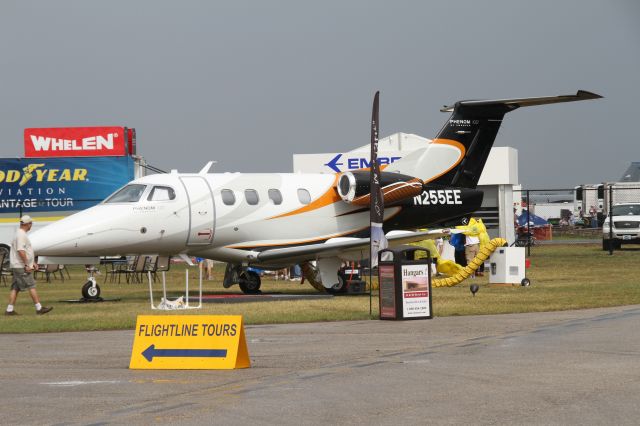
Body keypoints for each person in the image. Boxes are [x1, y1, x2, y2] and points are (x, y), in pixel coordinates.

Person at [5, 215, 52, 316]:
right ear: (27, 224)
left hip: (18, 265)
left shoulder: (19, 234)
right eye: (31, 223)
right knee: (31, 285)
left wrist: (32, 263)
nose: (31, 225)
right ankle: (39, 308)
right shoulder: (21, 235)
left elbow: (25, 250)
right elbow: (21, 251)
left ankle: (9, 310)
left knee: (15, 287)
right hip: (21, 266)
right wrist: (27, 264)